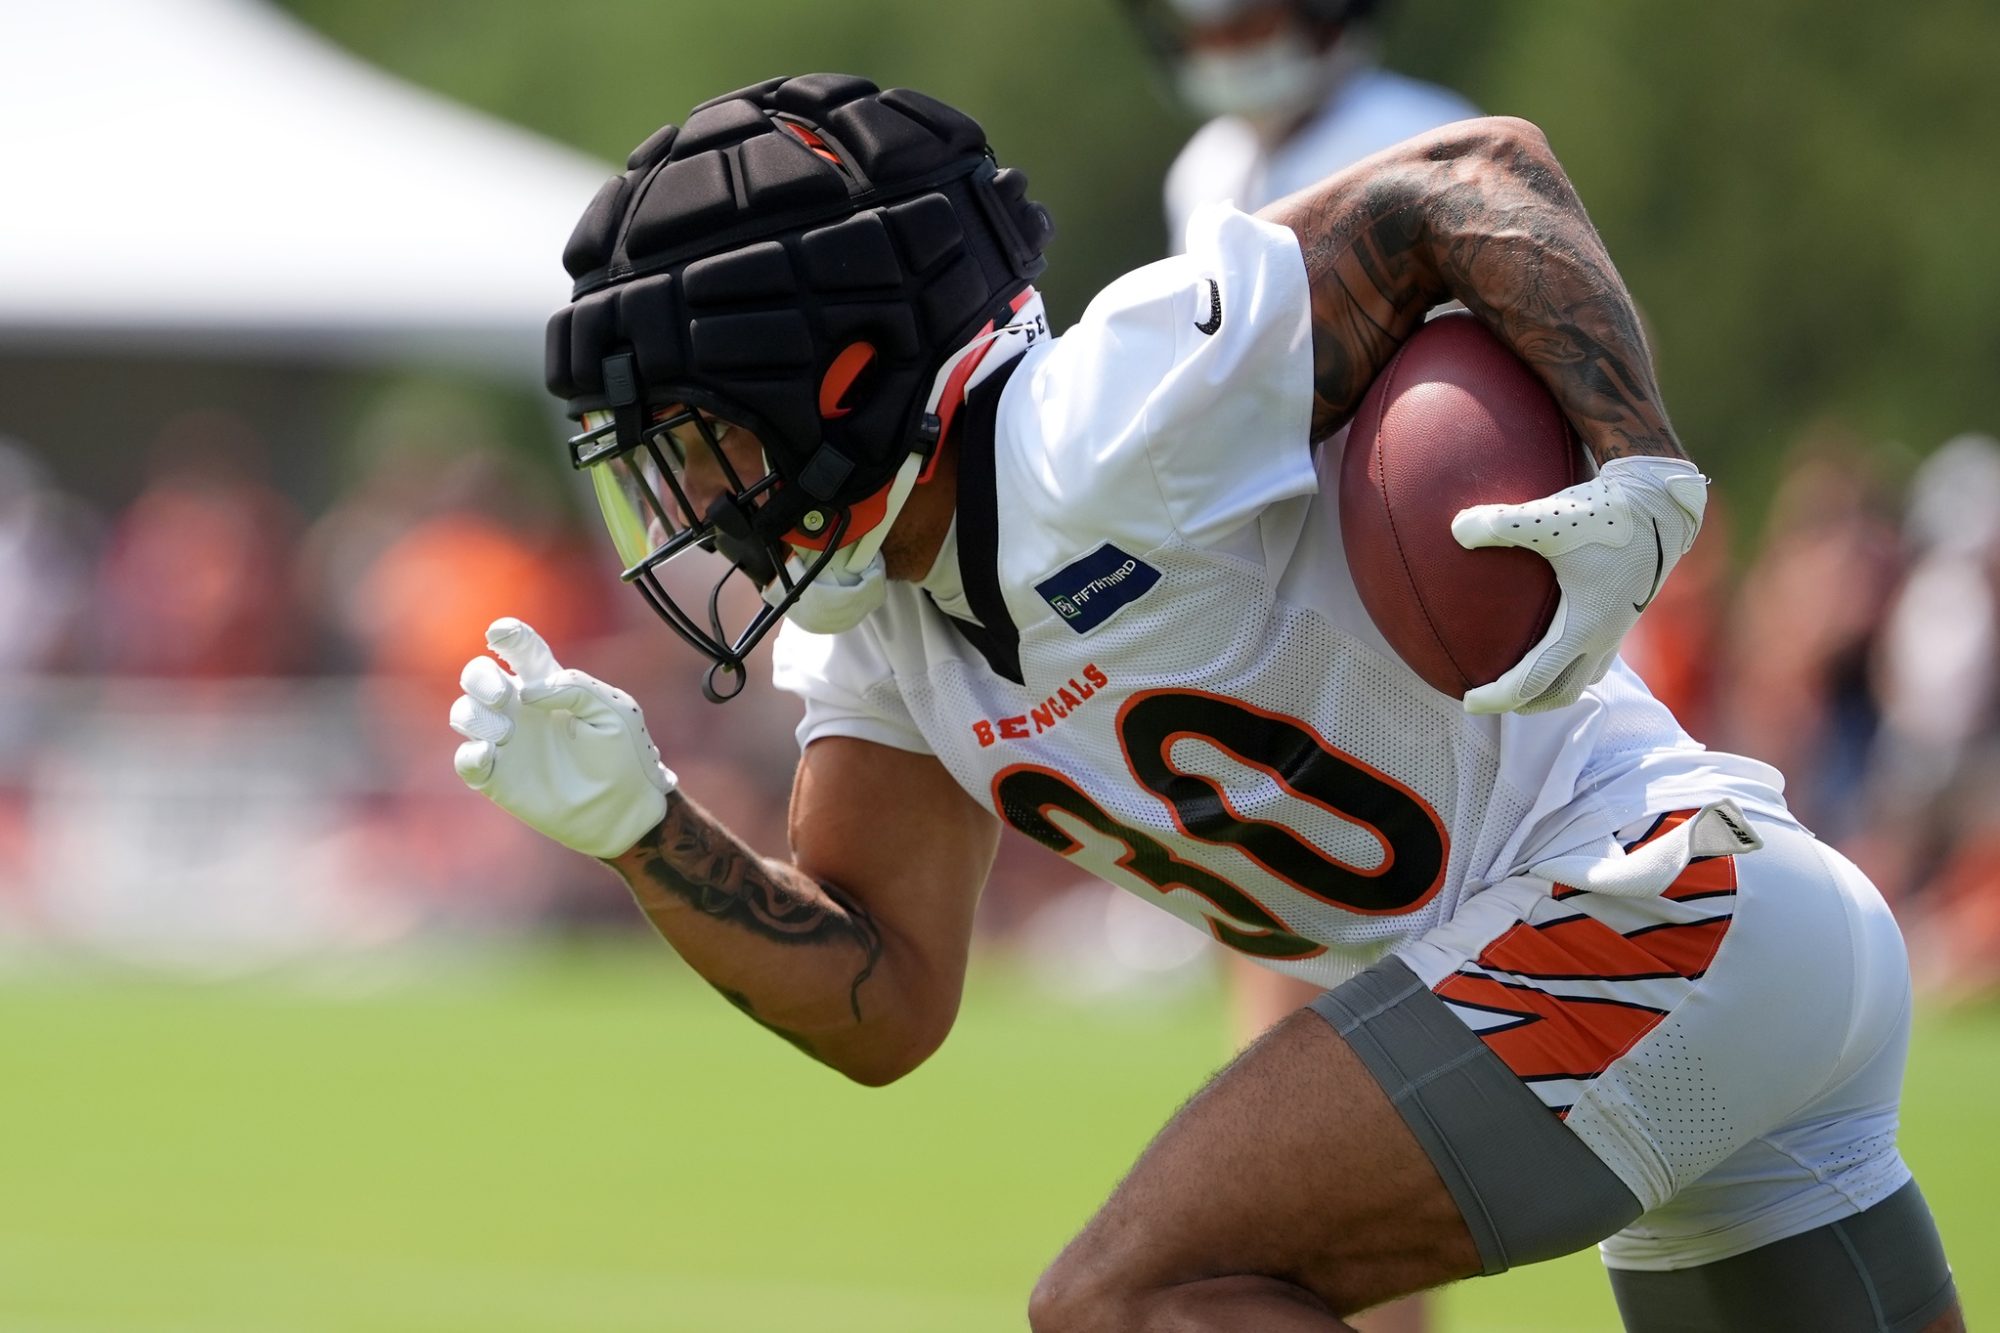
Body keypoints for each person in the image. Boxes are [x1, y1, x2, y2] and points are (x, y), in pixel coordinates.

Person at [450, 76, 1961, 1329]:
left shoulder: (1100, 418)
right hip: (1716, 960)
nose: (691, 501)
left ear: (835, 376)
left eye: (704, 442)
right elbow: (883, 997)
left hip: (1658, 908)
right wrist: (643, 831)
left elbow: (1477, 176)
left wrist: (1636, 457)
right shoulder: (884, 633)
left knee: (1126, 1300)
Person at [1125, 0, 1478, 256]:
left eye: (1248, 25)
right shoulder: (1202, 167)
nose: (1223, 49)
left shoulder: (1423, 130)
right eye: (1206, 33)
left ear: (1325, 14)